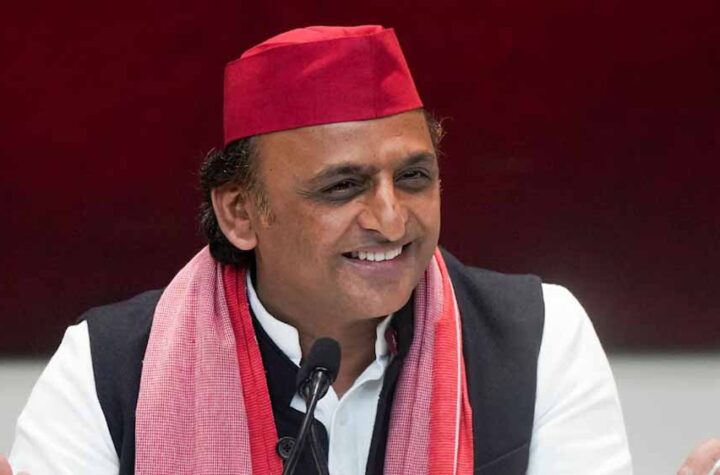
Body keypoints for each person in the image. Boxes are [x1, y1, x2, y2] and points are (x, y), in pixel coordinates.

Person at [7, 25, 632, 474]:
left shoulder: (538, 336)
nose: (391, 220)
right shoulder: (108, 367)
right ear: (240, 213)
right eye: (342, 187)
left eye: (414, 177)